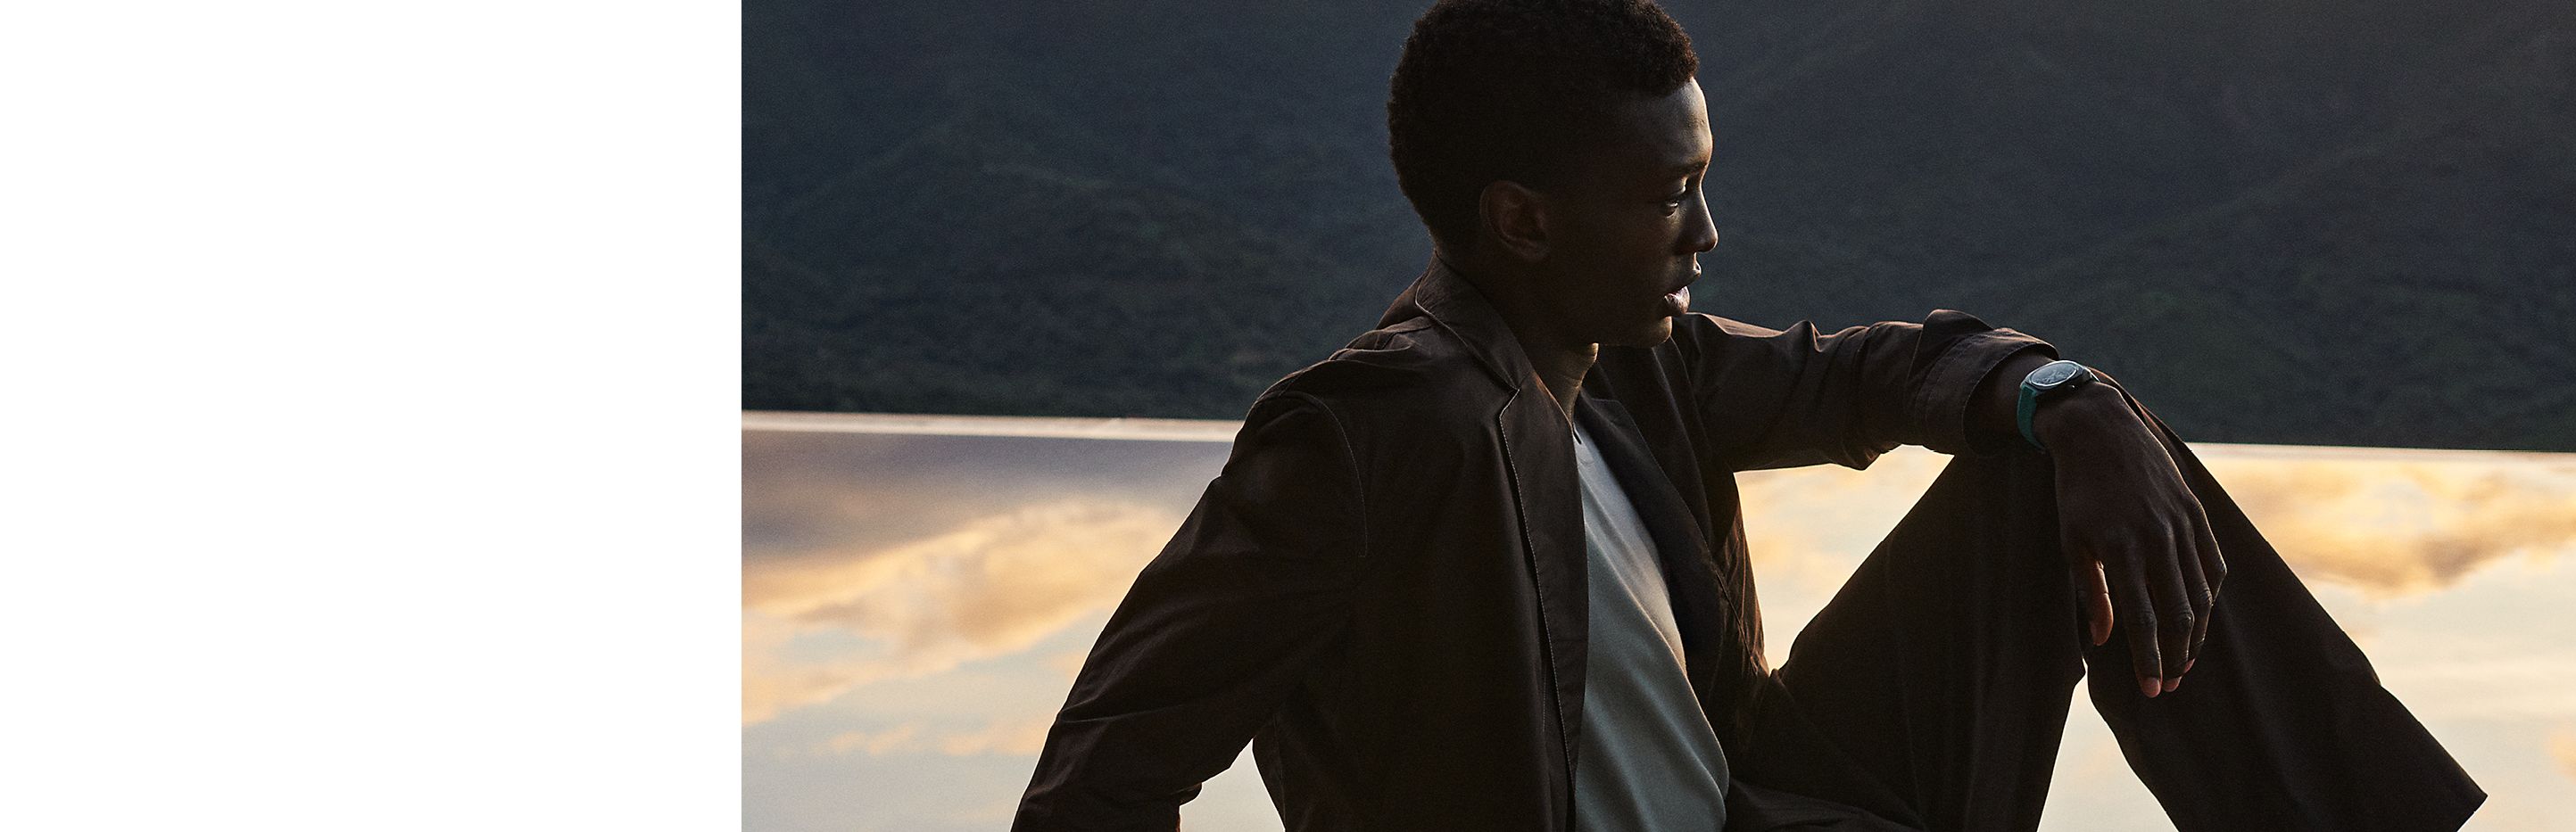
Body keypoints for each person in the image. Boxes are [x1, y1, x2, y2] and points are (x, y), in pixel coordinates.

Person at [1011, 2, 2481, 829]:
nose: (1706, 234)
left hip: (1778, 814)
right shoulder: (1370, 431)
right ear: (1523, 220)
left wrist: (2070, 398)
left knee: (2059, 445)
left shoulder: (1639, 363)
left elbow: (1873, 371)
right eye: (1669, 197)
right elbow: (1103, 770)